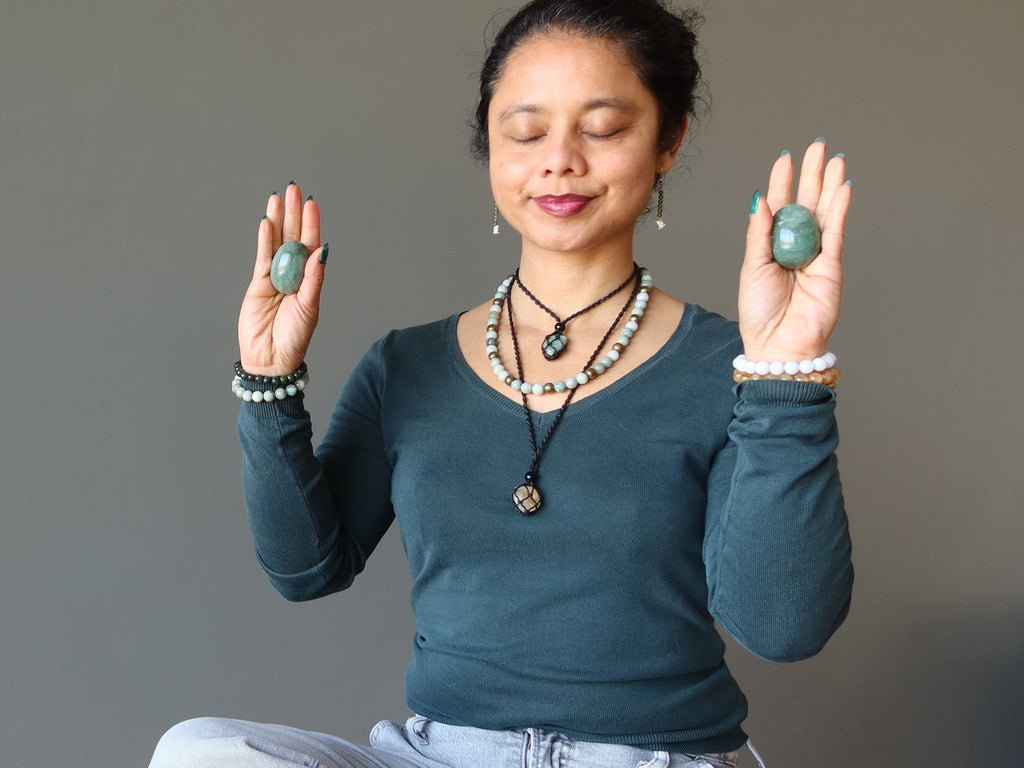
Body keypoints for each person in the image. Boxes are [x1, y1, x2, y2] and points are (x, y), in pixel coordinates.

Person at [150, 0, 853, 766]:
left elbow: (784, 627)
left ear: (668, 140)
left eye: (605, 128)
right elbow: (306, 569)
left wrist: (787, 372)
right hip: (441, 755)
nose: (559, 159)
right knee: (201, 752)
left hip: (652, 759)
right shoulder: (404, 366)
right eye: (525, 131)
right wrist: (267, 378)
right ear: (489, 144)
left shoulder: (732, 363)